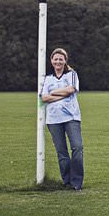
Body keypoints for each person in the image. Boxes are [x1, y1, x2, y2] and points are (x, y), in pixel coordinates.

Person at [41, 47, 84, 191]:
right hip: (53, 120)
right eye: (55, 59)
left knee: (77, 148)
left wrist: (53, 92)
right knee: (62, 152)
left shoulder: (71, 74)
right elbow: (44, 98)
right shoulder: (48, 78)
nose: (58, 61)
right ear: (51, 61)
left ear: (65, 61)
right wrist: (61, 93)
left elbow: (71, 90)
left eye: (61, 59)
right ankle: (67, 182)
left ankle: (76, 182)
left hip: (71, 117)